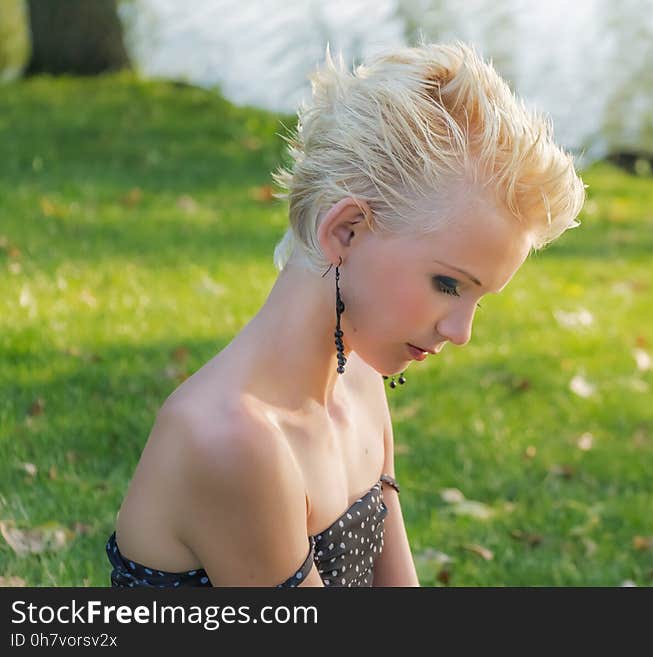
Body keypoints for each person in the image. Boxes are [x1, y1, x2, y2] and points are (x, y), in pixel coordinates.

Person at [105, 40, 585, 588]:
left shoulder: (359, 383)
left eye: (478, 298)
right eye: (448, 284)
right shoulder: (231, 440)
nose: (461, 331)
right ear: (346, 231)